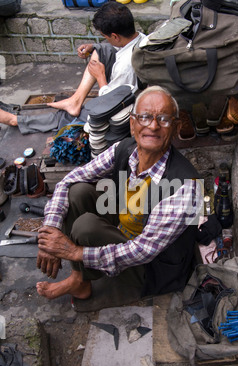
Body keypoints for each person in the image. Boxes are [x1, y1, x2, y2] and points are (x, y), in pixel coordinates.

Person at [36, 86, 203, 311]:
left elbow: (142, 250)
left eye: (163, 119)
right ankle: (80, 279)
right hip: (126, 226)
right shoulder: (124, 150)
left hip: (152, 267)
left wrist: (74, 252)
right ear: (132, 124)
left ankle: (81, 274)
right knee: (78, 191)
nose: (153, 126)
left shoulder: (186, 186)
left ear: (175, 128)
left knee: (85, 226)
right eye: (144, 117)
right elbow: (69, 180)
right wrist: (51, 233)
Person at [0, 2, 145, 134]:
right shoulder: (141, 38)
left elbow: (112, 104)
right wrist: (94, 46)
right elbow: (112, 47)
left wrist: (101, 78)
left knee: (66, 117)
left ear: (115, 36)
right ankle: (75, 100)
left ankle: (16, 120)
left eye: (104, 36)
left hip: (125, 109)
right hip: (128, 79)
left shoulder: (125, 67)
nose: (104, 39)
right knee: (100, 51)